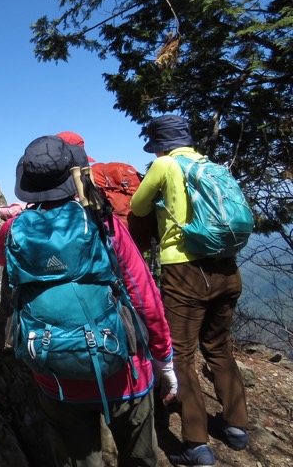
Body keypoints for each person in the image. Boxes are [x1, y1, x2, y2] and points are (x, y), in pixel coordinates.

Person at [0, 135, 177, 467]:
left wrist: (21, 220)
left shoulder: (14, 231)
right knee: (140, 457)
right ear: (73, 175)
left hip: (56, 376)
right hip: (125, 372)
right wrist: (164, 359)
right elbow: (143, 295)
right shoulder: (102, 223)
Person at [131, 115, 250, 466]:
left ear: (160, 144)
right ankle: (237, 426)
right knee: (219, 347)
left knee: (180, 353)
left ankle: (197, 443)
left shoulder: (165, 164)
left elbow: (138, 206)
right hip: (227, 268)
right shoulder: (212, 166)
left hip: (185, 270)